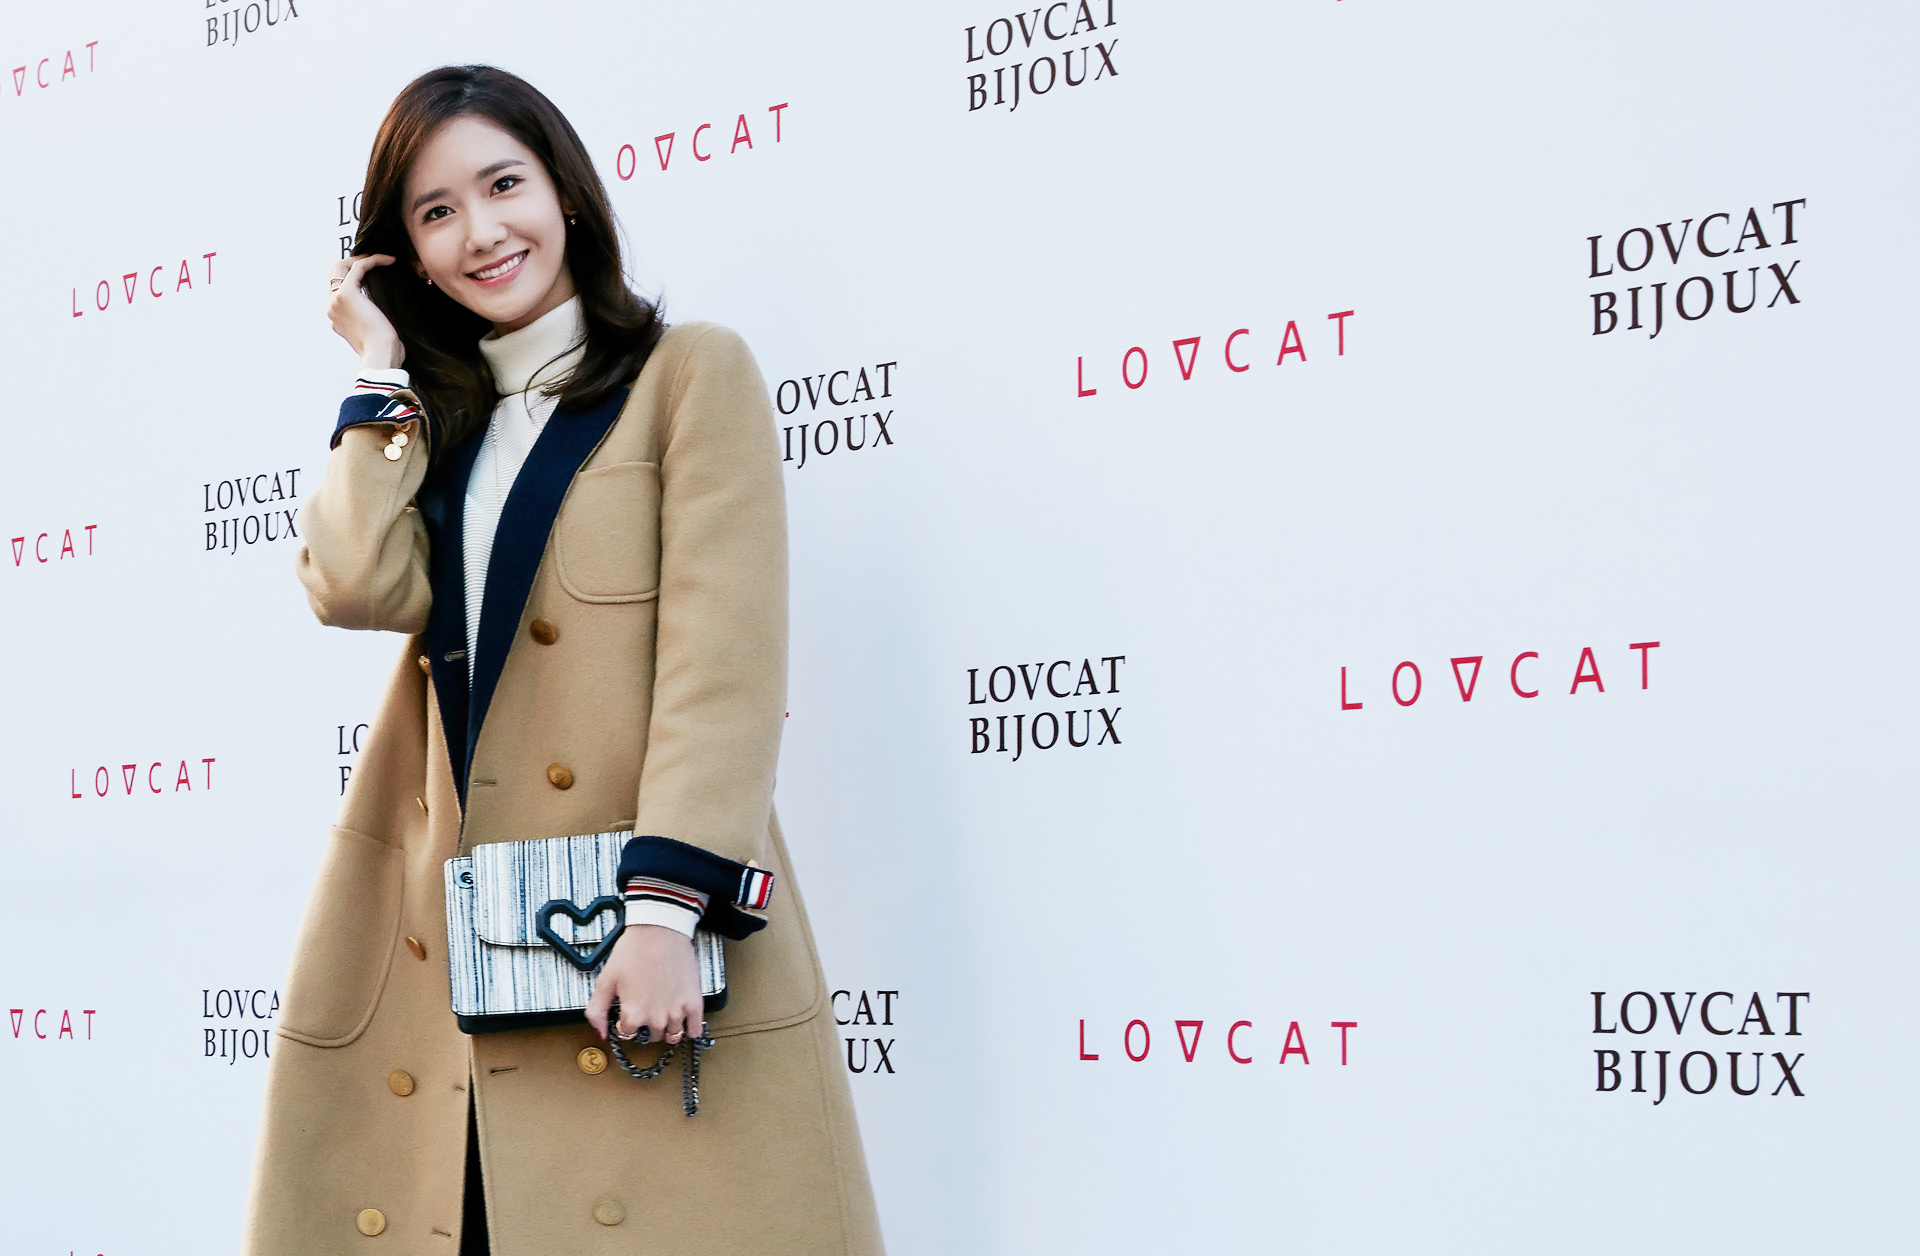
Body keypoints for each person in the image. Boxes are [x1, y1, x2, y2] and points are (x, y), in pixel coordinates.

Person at [244, 64, 882, 1256]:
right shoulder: (441, 422)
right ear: (408, 252)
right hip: (458, 941)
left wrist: (665, 911)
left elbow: (722, 663)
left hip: (624, 926)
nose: (482, 231)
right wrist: (380, 371)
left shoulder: (689, 373)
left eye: (504, 185)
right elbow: (353, 584)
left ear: (567, 194)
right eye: (438, 211)